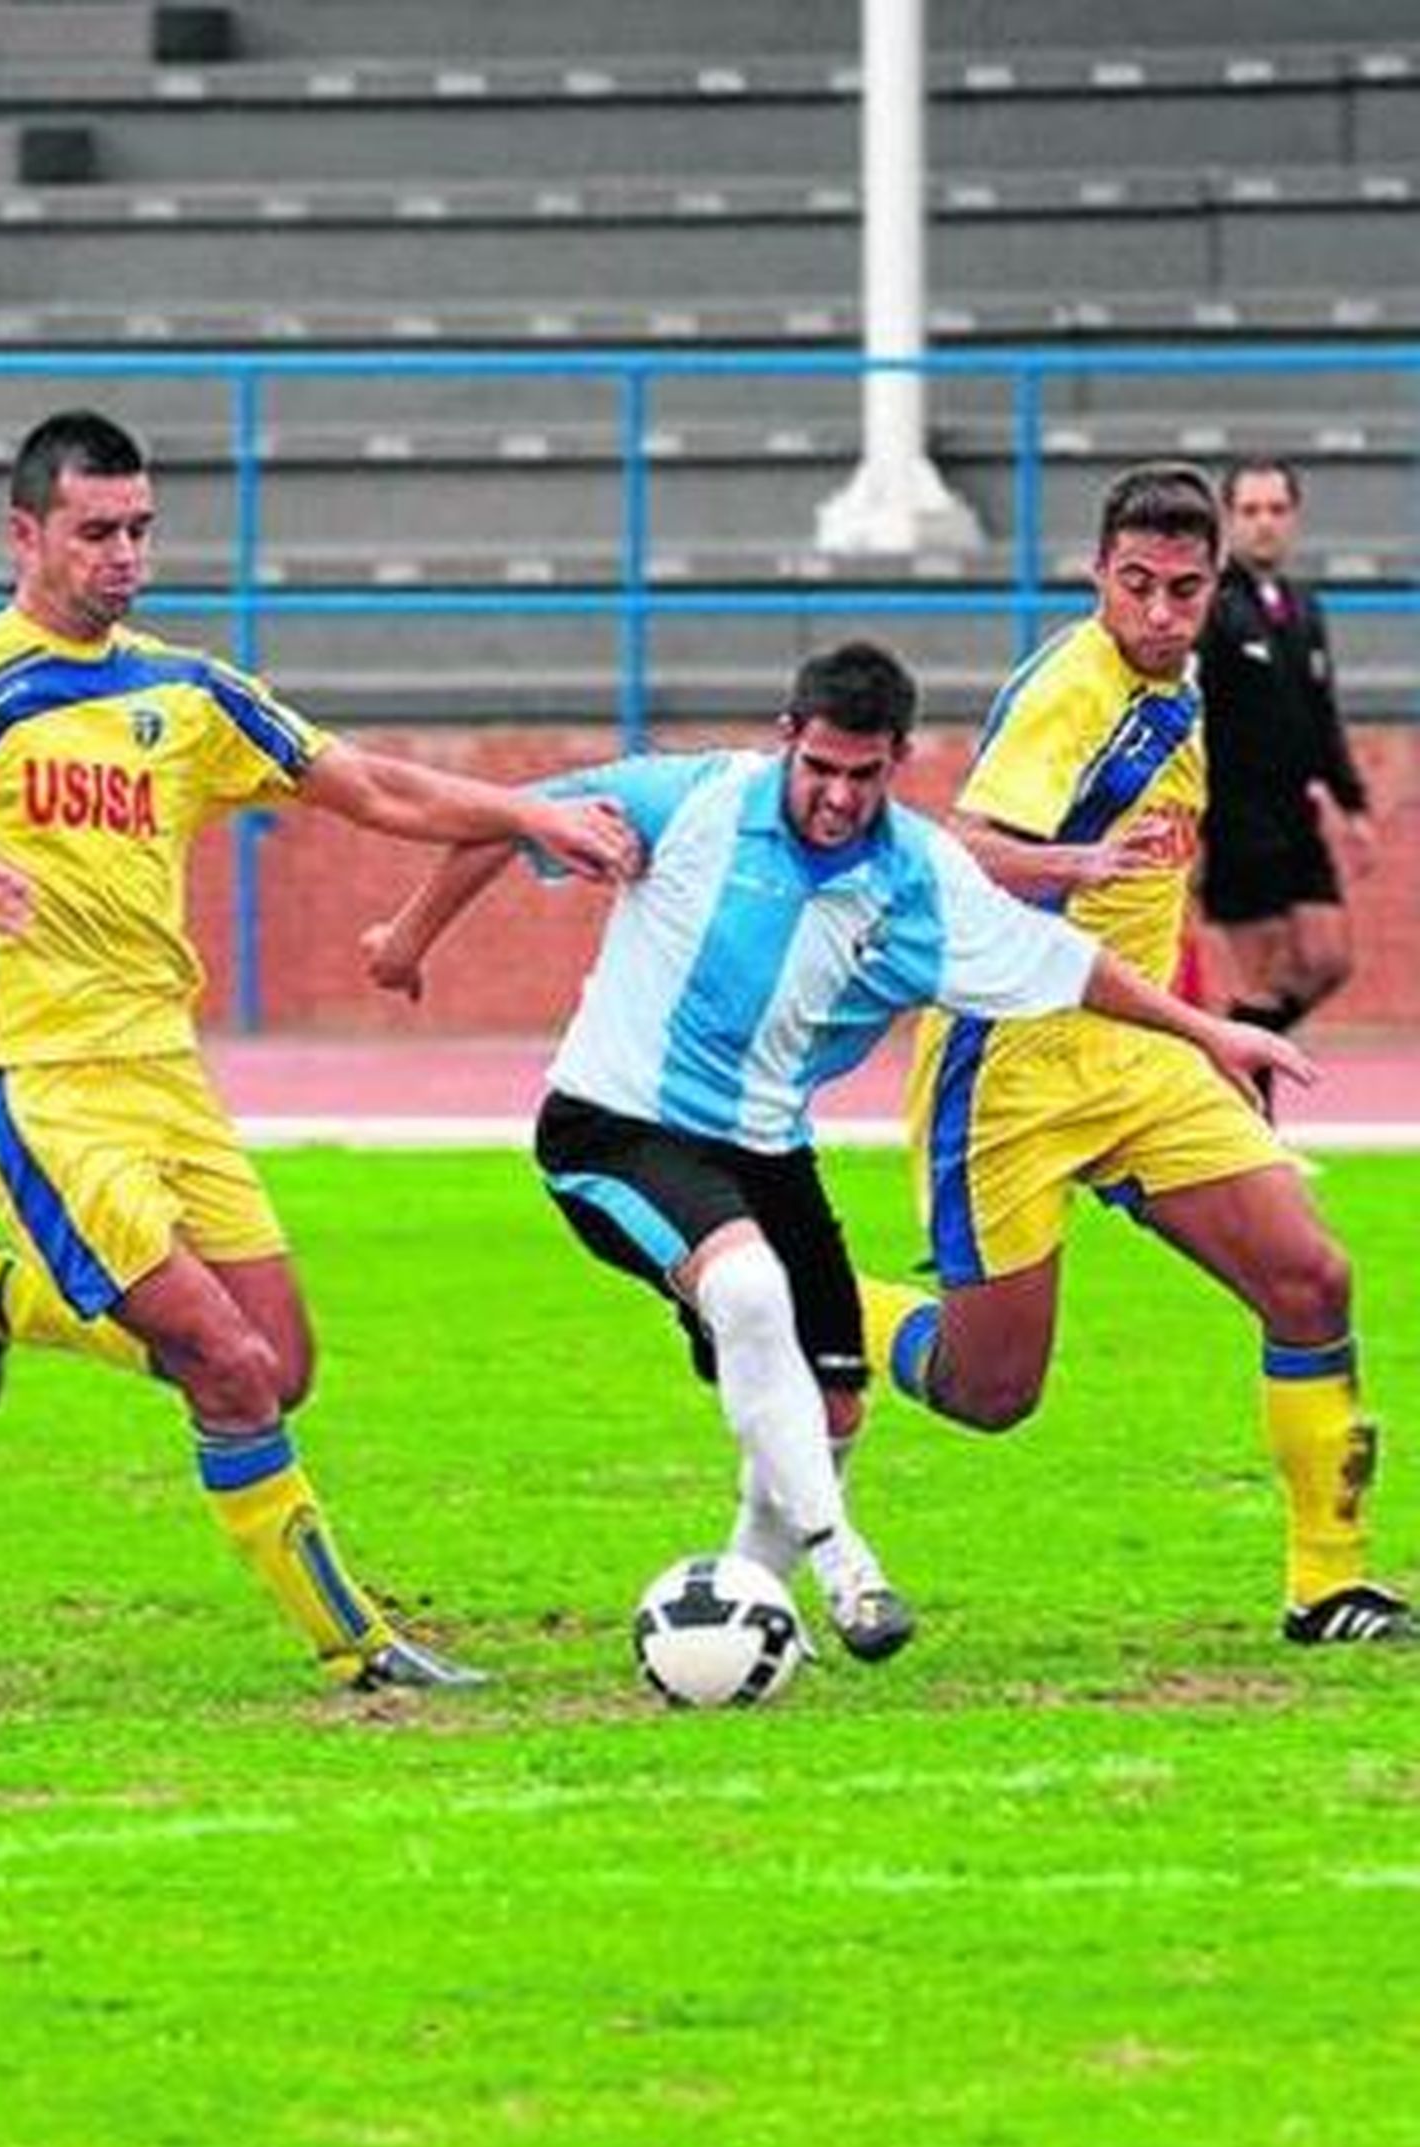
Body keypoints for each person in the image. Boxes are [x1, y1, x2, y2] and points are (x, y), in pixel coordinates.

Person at [0, 408, 636, 1696]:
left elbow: (366, 783)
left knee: (283, 1361)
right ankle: (358, 1644)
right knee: (231, 1370)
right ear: (24, 533)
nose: (125, 555)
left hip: (166, 1076)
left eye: (141, 528)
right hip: (32, 1081)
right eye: (96, 531)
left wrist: (526, 810)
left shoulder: (184, 693)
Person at [361, 638, 1311, 1663]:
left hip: (767, 1144)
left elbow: (1061, 961)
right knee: (747, 1290)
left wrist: (1210, 1032)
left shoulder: (914, 872)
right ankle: (842, 1559)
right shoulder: (689, 801)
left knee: (835, 1395)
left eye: (862, 776)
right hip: (615, 1125)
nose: (836, 796)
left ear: (896, 761)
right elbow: (502, 819)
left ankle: (750, 1607)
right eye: (818, 768)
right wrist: (408, 940)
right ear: (787, 740)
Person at [863, 464, 1414, 1646]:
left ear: (1214, 584)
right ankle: (805, 1305)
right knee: (990, 1389)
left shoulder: (1190, 680)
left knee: (1308, 1277)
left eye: (1184, 588)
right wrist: (1078, 869)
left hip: (1136, 1044)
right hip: (1006, 1062)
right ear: (1095, 577)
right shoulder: (1074, 688)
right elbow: (960, 851)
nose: (1160, 613)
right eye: (1137, 586)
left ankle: (1329, 1584)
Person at [1197, 455, 1375, 1117]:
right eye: (1250, 510)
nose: (1264, 523)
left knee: (1329, 957)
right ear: (1228, 519)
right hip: (1236, 817)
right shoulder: (1214, 608)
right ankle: (1249, 1126)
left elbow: (1321, 713)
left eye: (1276, 509)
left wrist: (1351, 803)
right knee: (1264, 976)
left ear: (1293, 517)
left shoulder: (1304, 607)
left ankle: (1229, 1055)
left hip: (1296, 814)